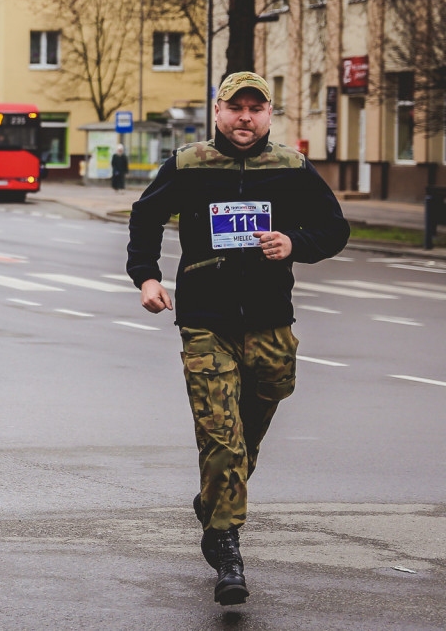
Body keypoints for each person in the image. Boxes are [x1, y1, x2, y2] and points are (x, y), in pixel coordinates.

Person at [126, 71, 350, 606]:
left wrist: (295, 242)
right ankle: (226, 548)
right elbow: (146, 216)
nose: (244, 118)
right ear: (218, 110)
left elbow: (335, 228)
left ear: (269, 114)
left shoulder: (291, 168)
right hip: (207, 320)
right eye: (235, 107)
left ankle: (214, 498)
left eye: (255, 108)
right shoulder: (189, 164)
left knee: (258, 416)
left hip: (272, 319)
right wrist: (147, 277)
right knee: (220, 435)